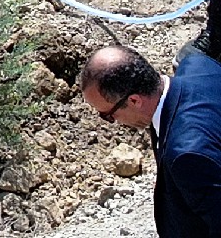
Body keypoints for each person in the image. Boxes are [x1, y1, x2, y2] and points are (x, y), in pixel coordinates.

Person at [80, 43, 221, 236]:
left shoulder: (186, 155)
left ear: (134, 101)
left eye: (108, 115)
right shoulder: (197, 65)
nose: (112, 123)